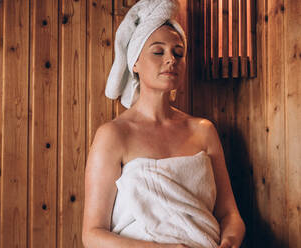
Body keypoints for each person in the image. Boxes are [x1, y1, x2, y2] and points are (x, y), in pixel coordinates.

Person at [82, 1, 245, 248]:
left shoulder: (203, 131)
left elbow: (229, 214)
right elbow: (93, 234)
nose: (171, 59)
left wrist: (229, 242)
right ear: (134, 63)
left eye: (178, 53)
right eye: (158, 52)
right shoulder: (113, 135)